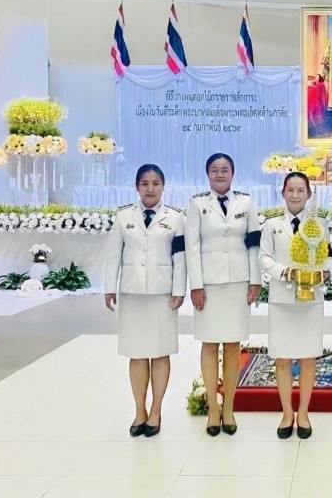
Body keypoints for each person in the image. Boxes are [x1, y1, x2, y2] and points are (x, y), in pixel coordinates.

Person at [104, 164, 186, 438]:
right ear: (137, 187)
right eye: (145, 184)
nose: (150, 189)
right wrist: (109, 287)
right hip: (132, 294)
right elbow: (113, 255)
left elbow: (180, 257)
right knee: (137, 352)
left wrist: (179, 289)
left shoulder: (176, 218)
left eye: (155, 184)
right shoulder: (123, 216)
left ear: (163, 186)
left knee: (161, 352)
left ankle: (156, 411)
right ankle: (139, 410)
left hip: (163, 295)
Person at [185, 153, 261, 436]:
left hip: (238, 283)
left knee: (232, 344)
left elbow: (253, 243)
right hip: (209, 284)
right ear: (207, 174)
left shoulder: (246, 202)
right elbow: (192, 247)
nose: (220, 174)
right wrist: (196, 284)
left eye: (225, 170)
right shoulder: (197, 204)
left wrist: (255, 280)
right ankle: (213, 410)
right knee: (209, 344)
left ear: (233, 173)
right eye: (214, 170)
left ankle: (228, 408)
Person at [259, 172, 332, 439]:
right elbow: (264, 257)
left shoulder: (319, 224)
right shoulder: (271, 225)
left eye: (301, 190)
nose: (295, 195)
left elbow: (328, 256)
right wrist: (285, 272)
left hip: (310, 300)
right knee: (282, 357)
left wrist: (326, 272)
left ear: (309, 194)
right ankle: (287, 413)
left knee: (308, 357)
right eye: (290, 189)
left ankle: (303, 413)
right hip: (282, 300)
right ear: (282, 193)